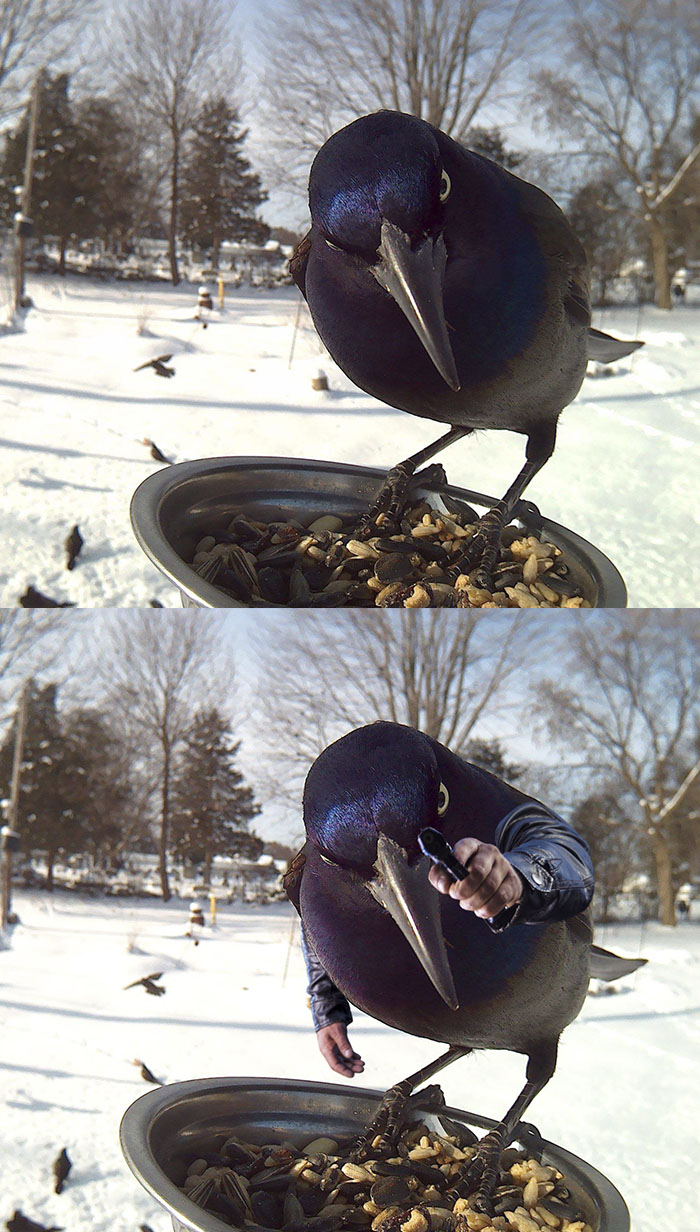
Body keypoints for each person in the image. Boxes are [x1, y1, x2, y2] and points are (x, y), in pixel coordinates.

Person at [300, 806, 593, 1079]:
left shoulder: (484, 819)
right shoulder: (330, 840)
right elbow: (316, 910)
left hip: (527, 969)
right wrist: (327, 1008)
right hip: (435, 1004)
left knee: (540, 1058)